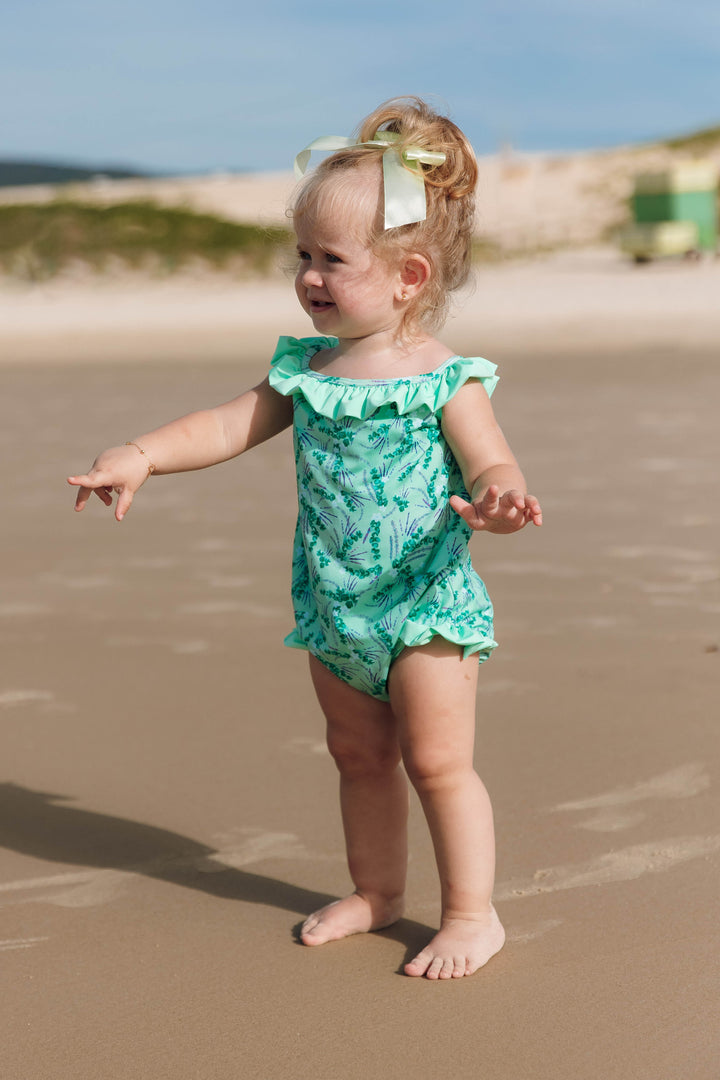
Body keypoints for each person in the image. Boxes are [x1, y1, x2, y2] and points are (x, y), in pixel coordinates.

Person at [68, 97, 542, 980]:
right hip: (333, 601)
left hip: (420, 602)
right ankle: (377, 893)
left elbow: (492, 466)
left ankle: (473, 915)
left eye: (333, 260)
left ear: (407, 276)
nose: (310, 277)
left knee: (438, 763)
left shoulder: (445, 377)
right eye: (303, 257)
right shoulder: (305, 369)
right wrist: (139, 455)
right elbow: (223, 425)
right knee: (358, 755)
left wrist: (502, 501)